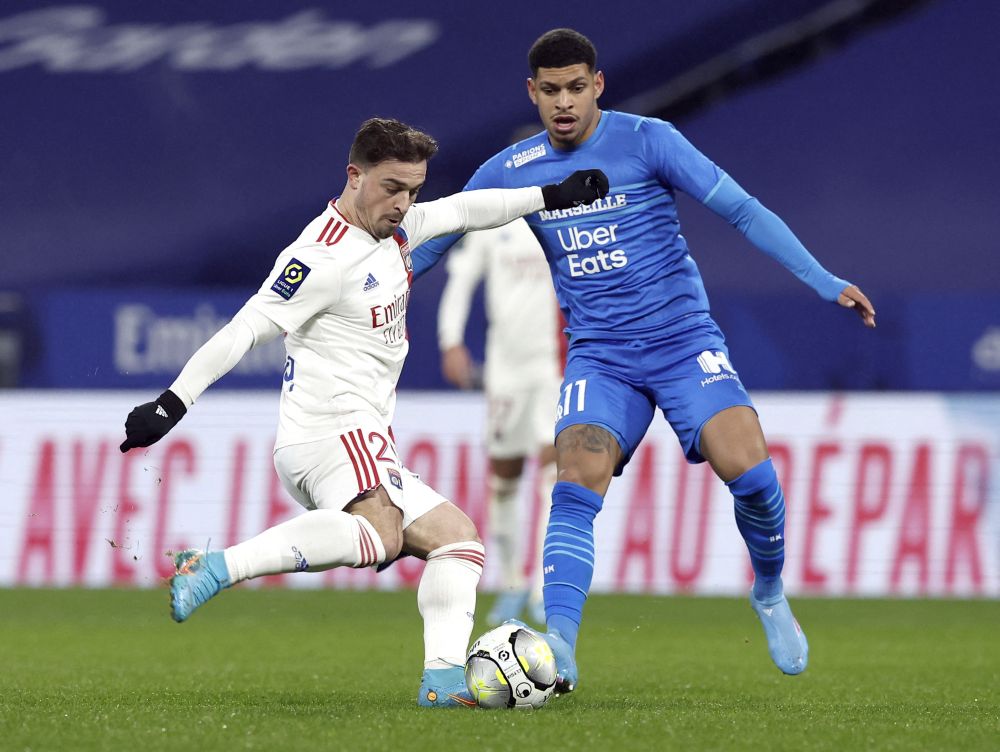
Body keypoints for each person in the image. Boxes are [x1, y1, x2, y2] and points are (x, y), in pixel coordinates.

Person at [410, 30, 877, 694]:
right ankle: (561, 650)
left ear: (597, 85)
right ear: (532, 93)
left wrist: (824, 278)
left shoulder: (649, 140)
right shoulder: (509, 170)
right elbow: (433, 238)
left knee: (752, 475)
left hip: (684, 345)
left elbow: (741, 210)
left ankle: (769, 592)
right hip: (601, 361)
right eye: (551, 91)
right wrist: (373, 280)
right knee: (574, 482)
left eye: (577, 88)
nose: (564, 103)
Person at [118, 116, 608, 708]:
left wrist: (551, 195)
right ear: (355, 176)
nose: (404, 203)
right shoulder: (318, 257)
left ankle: (444, 681)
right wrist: (173, 403)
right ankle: (216, 566)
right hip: (329, 431)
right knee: (382, 533)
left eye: (413, 190)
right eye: (391, 187)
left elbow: (472, 210)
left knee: (458, 542)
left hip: (363, 437)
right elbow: (246, 329)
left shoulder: (396, 232)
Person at [437, 215, 562, 626]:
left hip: (554, 365)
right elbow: (461, 280)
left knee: (552, 476)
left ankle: (545, 589)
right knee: (504, 480)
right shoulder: (492, 222)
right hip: (505, 372)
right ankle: (512, 583)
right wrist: (450, 339)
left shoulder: (563, 218)